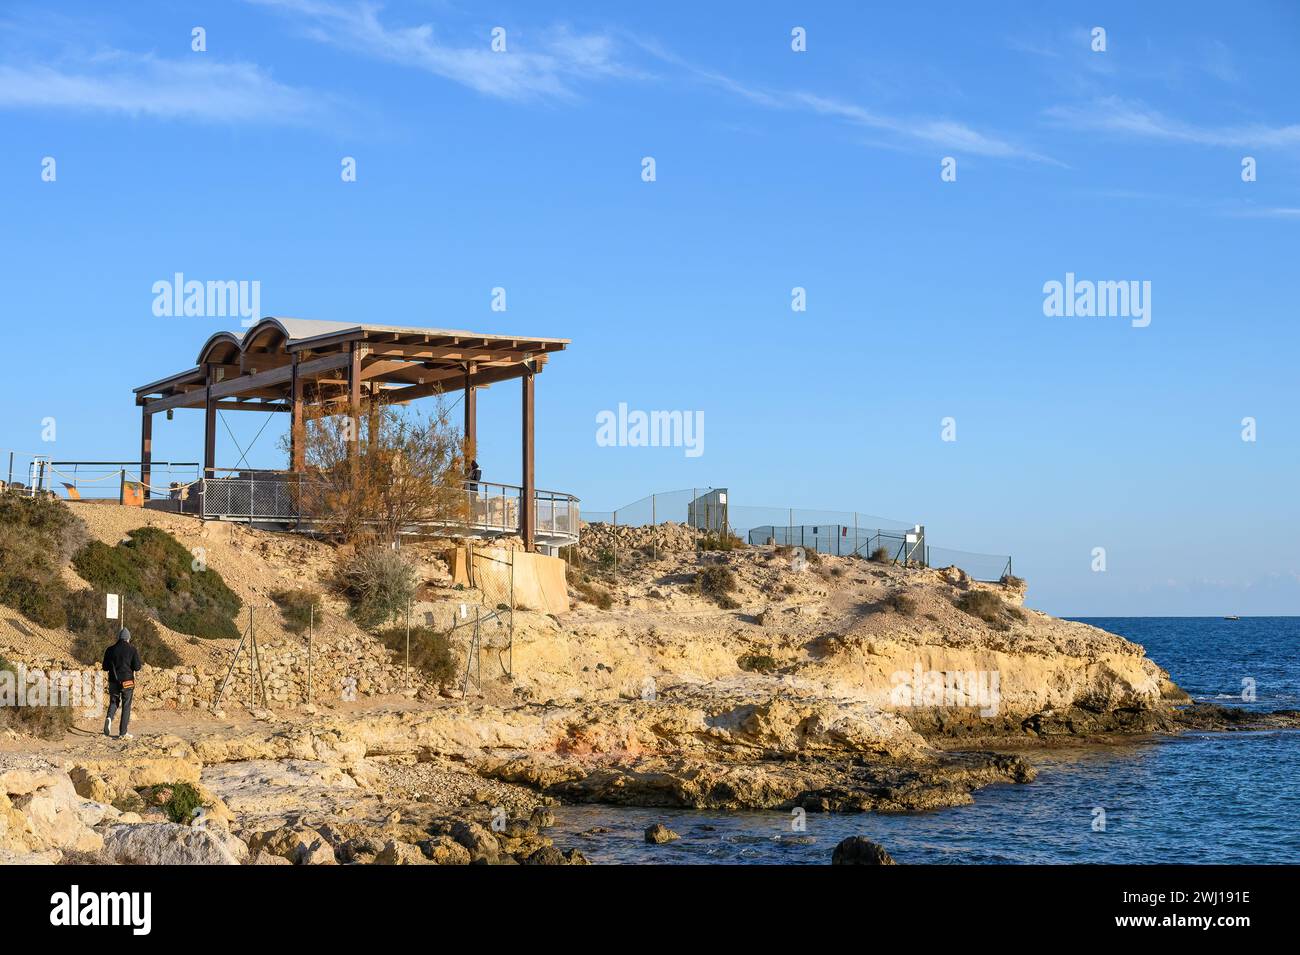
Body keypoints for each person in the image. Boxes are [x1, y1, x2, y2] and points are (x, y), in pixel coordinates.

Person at [102, 627, 142, 740]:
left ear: (119, 637)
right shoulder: (132, 649)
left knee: (114, 701)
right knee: (126, 705)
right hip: (127, 681)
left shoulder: (110, 649)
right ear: (128, 638)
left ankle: (109, 717)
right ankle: (123, 732)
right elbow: (137, 667)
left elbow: (105, 667)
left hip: (113, 681)